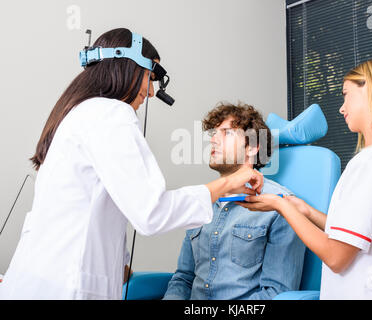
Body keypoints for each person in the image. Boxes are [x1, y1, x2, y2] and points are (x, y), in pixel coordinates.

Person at [0, 28, 263, 300]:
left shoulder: (78, 114)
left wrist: (117, 264)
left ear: (253, 146)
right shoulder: (111, 113)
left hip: (35, 280)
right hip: (65, 286)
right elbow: (152, 213)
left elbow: (94, 206)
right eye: (150, 78)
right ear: (128, 67)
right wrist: (228, 182)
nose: (150, 92)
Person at [238, 56, 372, 300]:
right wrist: (306, 211)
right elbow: (358, 233)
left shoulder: (370, 163)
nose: (342, 107)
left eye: (346, 94)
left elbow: (336, 257)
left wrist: (281, 205)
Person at [163, 102, 306, 300]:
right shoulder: (203, 200)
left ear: (253, 147)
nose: (214, 140)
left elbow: (276, 293)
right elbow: (183, 279)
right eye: (214, 133)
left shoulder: (278, 207)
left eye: (227, 133)